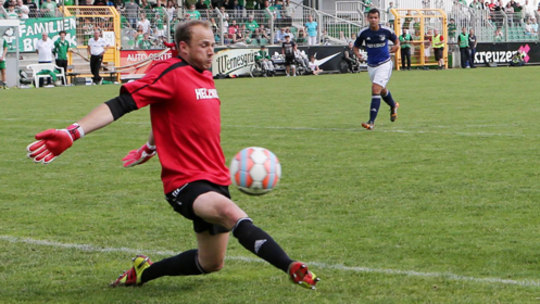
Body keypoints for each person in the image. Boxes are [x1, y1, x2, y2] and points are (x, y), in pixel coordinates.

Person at [26, 20, 319, 291]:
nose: (211, 49)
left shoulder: (204, 75)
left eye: (213, 44)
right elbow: (120, 104)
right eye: (204, 44)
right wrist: (72, 132)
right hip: (185, 182)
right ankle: (290, 266)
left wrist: (150, 146)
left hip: (216, 178)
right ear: (183, 47)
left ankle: (143, 272)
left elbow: (171, 112)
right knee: (232, 214)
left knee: (210, 263)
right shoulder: (170, 72)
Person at [353, 8, 400, 130]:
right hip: (371, 66)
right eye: (371, 17)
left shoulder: (386, 30)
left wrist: (397, 46)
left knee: (375, 88)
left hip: (384, 64)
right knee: (381, 90)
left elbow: (396, 40)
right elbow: (355, 47)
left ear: (379, 19)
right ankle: (393, 105)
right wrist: (358, 54)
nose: (373, 20)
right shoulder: (363, 33)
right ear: (367, 19)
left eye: (375, 17)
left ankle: (371, 122)